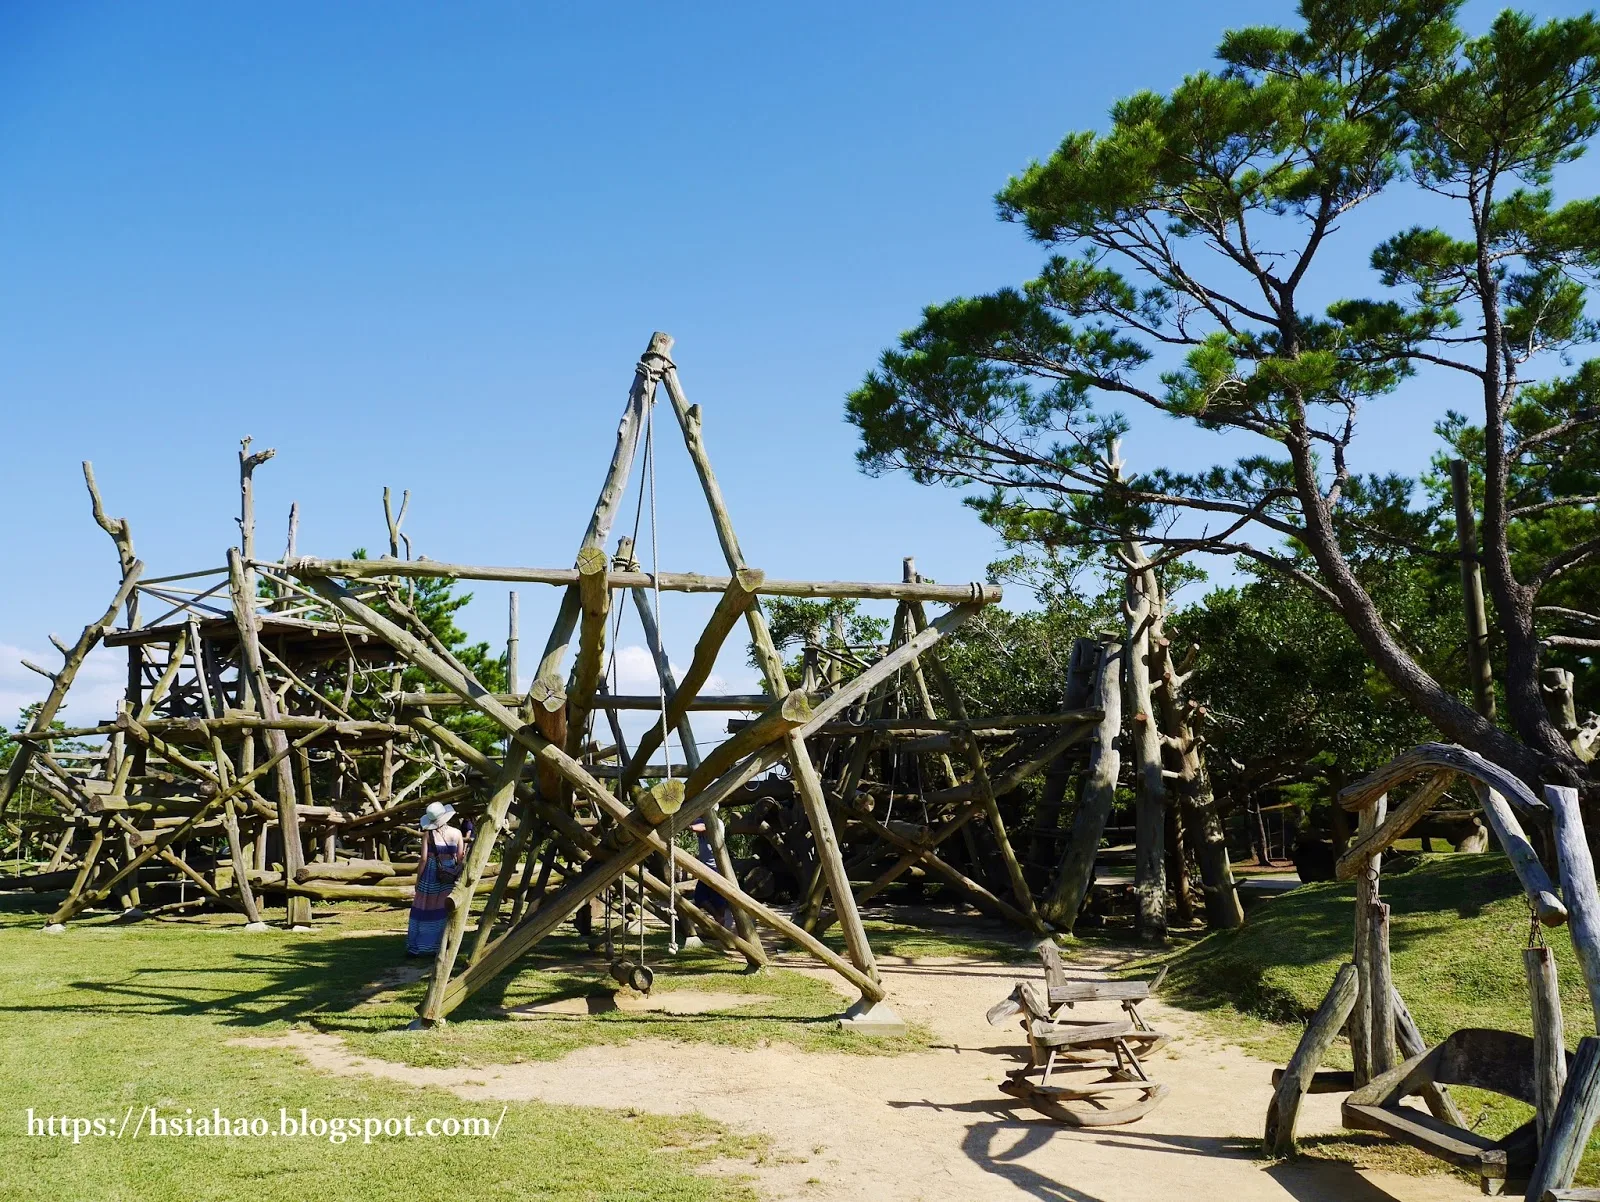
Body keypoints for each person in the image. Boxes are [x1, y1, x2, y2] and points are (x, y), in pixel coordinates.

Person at [407, 800, 465, 956]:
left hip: (431, 873)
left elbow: (424, 859)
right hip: (450, 873)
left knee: (425, 906)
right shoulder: (457, 833)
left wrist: (418, 880)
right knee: (444, 908)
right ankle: (443, 943)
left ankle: (423, 945)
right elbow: (460, 858)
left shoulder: (428, 834)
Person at [689, 818, 733, 929]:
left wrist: (688, 827)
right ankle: (718, 918)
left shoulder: (716, 822)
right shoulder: (700, 820)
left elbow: (703, 827)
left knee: (718, 898)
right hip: (705, 868)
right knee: (700, 897)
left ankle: (720, 924)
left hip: (716, 867)